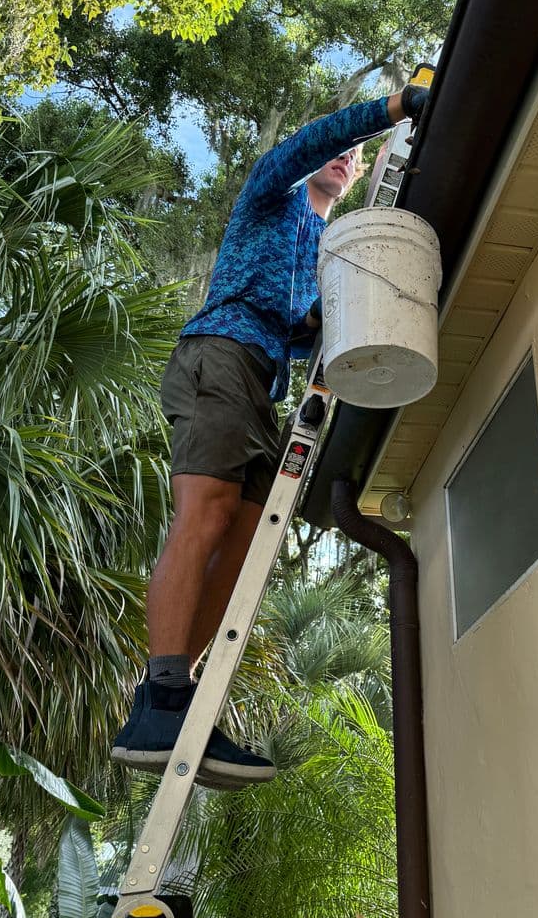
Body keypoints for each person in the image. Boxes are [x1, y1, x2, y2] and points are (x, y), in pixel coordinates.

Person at [112, 86, 427, 789]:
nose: (346, 161)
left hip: (262, 383)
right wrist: (394, 109)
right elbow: (304, 146)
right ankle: (163, 688)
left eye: (356, 158)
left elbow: (310, 328)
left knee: (250, 541)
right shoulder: (271, 195)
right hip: (219, 353)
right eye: (341, 153)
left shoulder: (321, 249)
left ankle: (176, 699)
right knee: (208, 512)